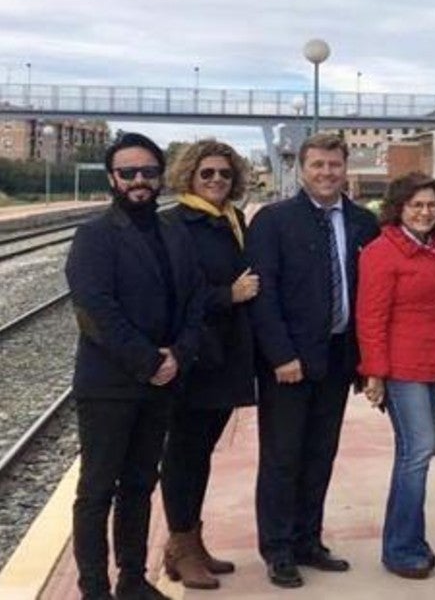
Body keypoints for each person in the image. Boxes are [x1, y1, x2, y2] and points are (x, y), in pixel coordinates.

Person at [65, 132, 205, 600]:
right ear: (113, 179)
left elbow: (195, 300)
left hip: (161, 381)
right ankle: (94, 588)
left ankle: (131, 579)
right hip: (109, 384)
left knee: (141, 484)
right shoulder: (95, 236)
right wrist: (148, 361)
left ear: (160, 176)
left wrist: (179, 354)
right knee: (97, 489)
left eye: (147, 172)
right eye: (128, 173)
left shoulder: (174, 231)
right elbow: (95, 311)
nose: (139, 181)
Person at [247, 133, 380, 589]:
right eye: (318, 165)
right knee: (283, 457)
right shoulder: (273, 220)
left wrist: (366, 362)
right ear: (302, 169)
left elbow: (371, 295)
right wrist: (281, 355)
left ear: (346, 168)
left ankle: (309, 540)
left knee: (320, 455)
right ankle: (278, 547)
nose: (327, 173)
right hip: (288, 363)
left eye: (335, 165)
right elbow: (262, 296)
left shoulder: (364, 222)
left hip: (339, 360)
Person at [157, 139, 259, 590]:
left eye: (224, 173)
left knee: (201, 454)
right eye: (207, 174)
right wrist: (226, 296)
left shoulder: (229, 219)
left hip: (225, 355)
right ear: (189, 178)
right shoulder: (177, 224)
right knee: (184, 454)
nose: (217, 180)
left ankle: (193, 542)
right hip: (196, 358)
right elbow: (172, 291)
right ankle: (180, 547)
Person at [357, 172, 435, 580]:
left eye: (431, 205)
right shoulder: (382, 252)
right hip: (402, 368)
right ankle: (401, 548)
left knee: (414, 454)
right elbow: (370, 317)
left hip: (433, 364)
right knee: (417, 453)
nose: (424, 211)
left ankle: (409, 539)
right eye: (416, 204)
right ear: (398, 208)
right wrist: (374, 374)